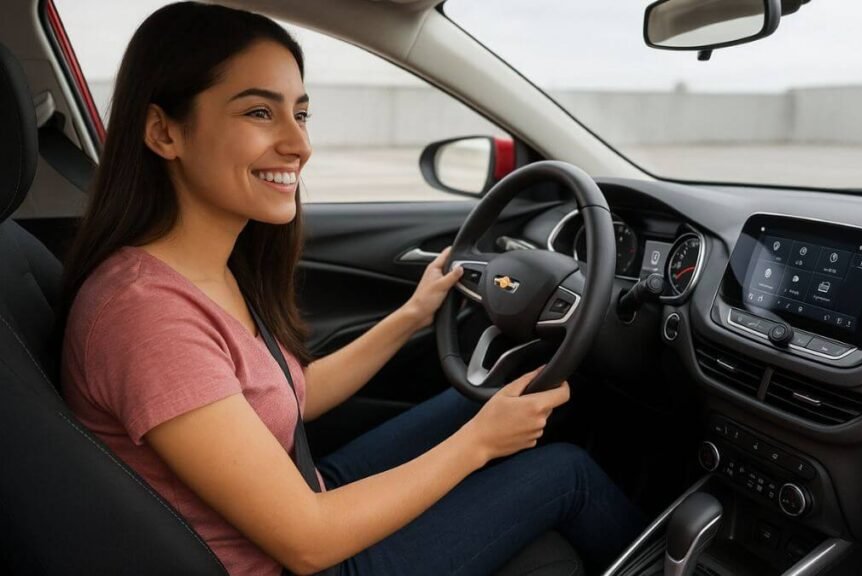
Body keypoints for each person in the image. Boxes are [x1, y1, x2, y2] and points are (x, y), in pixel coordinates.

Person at [60, 3, 646, 575]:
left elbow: (293, 395)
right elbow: (309, 542)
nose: (299, 144)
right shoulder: (148, 316)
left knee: (492, 392)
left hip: (297, 490)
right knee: (563, 472)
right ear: (165, 132)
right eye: (260, 113)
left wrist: (413, 314)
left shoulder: (207, 270)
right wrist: (479, 444)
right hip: (299, 557)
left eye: (302, 113)